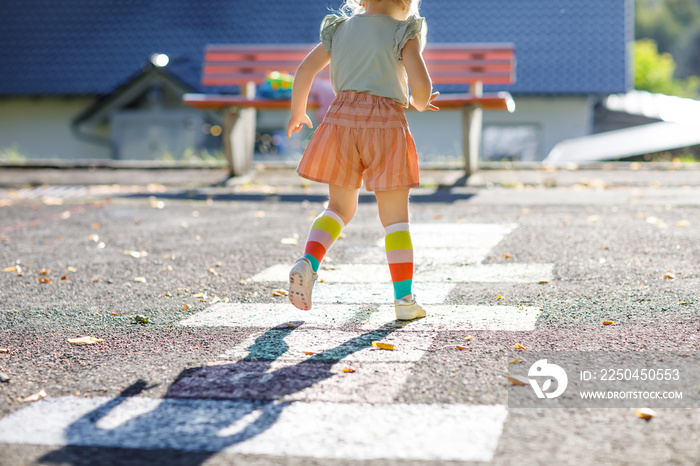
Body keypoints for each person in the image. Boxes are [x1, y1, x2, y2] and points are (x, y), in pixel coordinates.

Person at [286, 0, 438, 320]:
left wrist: (298, 112)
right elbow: (422, 88)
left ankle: (309, 261)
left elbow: (305, 70)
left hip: (340, 121)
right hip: (386, 125)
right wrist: (419, 103)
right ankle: (404, 300)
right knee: (395, 219)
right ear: (406, 3)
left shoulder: (339, 29)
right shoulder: (403, 31)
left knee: (339, 207)